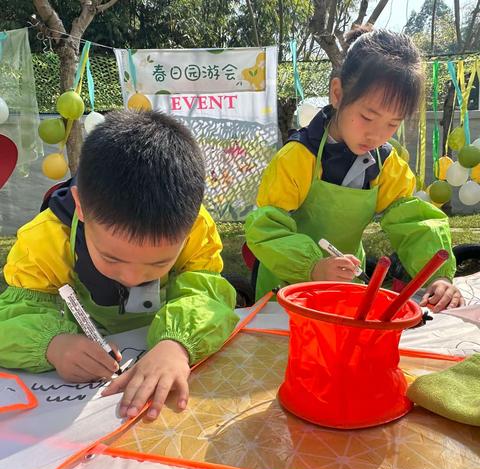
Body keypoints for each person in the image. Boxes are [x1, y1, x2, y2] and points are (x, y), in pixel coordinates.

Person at [0, 110, 239, 419]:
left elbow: (207, 296)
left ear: (191, 222)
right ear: (82, 207)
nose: (132, 277)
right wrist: (53, 345)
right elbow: (14, 317)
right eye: (112, 258)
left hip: (158, 349)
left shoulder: (194, 227)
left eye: (159, 263)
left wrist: (177, 345)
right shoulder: (45, 239)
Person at [245, 28, 464, 313]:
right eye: (367, 117)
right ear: (337, 94)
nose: (376, 135)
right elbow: (266, 228)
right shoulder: (298, 157)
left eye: (392, 124)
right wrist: (312, 266)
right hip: (287, 287)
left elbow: (414, 221)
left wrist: (439, 275)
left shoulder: (386, 163)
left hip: (347, 284)